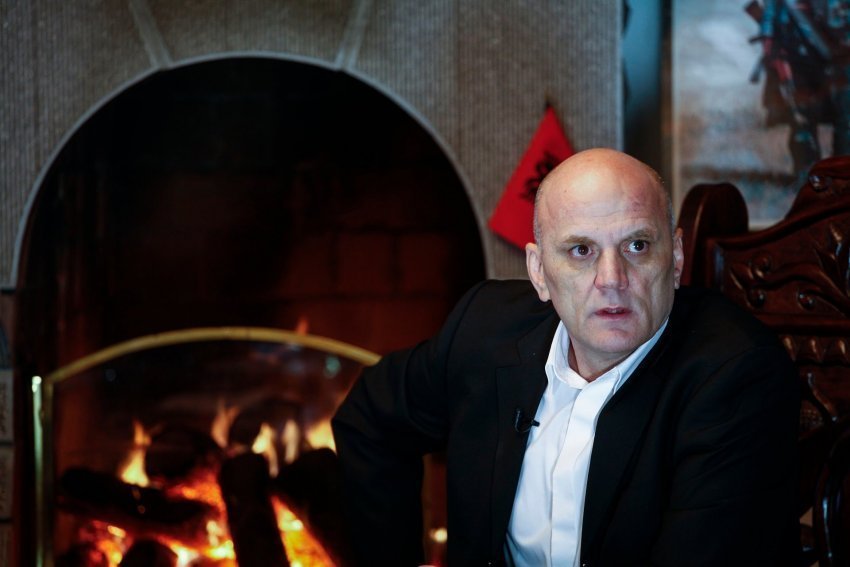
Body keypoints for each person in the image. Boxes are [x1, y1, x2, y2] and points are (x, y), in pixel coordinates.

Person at [331, 148, 800, 566]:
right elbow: (370, 418)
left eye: (637, 245)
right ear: (539, 271)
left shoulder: (739, 378)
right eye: (581, 250)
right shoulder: (483, 329)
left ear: (674, 258)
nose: (611, 278)